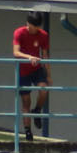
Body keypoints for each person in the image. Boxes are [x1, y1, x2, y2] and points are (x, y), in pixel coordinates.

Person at [13, 11, 51, 142]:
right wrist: (29, 57)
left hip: (37, 68)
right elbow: (16, 52)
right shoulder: (19, 32)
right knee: (26, 101)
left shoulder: (43, 35)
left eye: (37, 26)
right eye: (33, 26)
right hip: (23, 70)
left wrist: (49, 74)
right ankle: (28, 131)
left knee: (44, 90)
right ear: (28, 24)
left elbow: (45, 55)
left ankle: (37, 110)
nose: (35, 29)